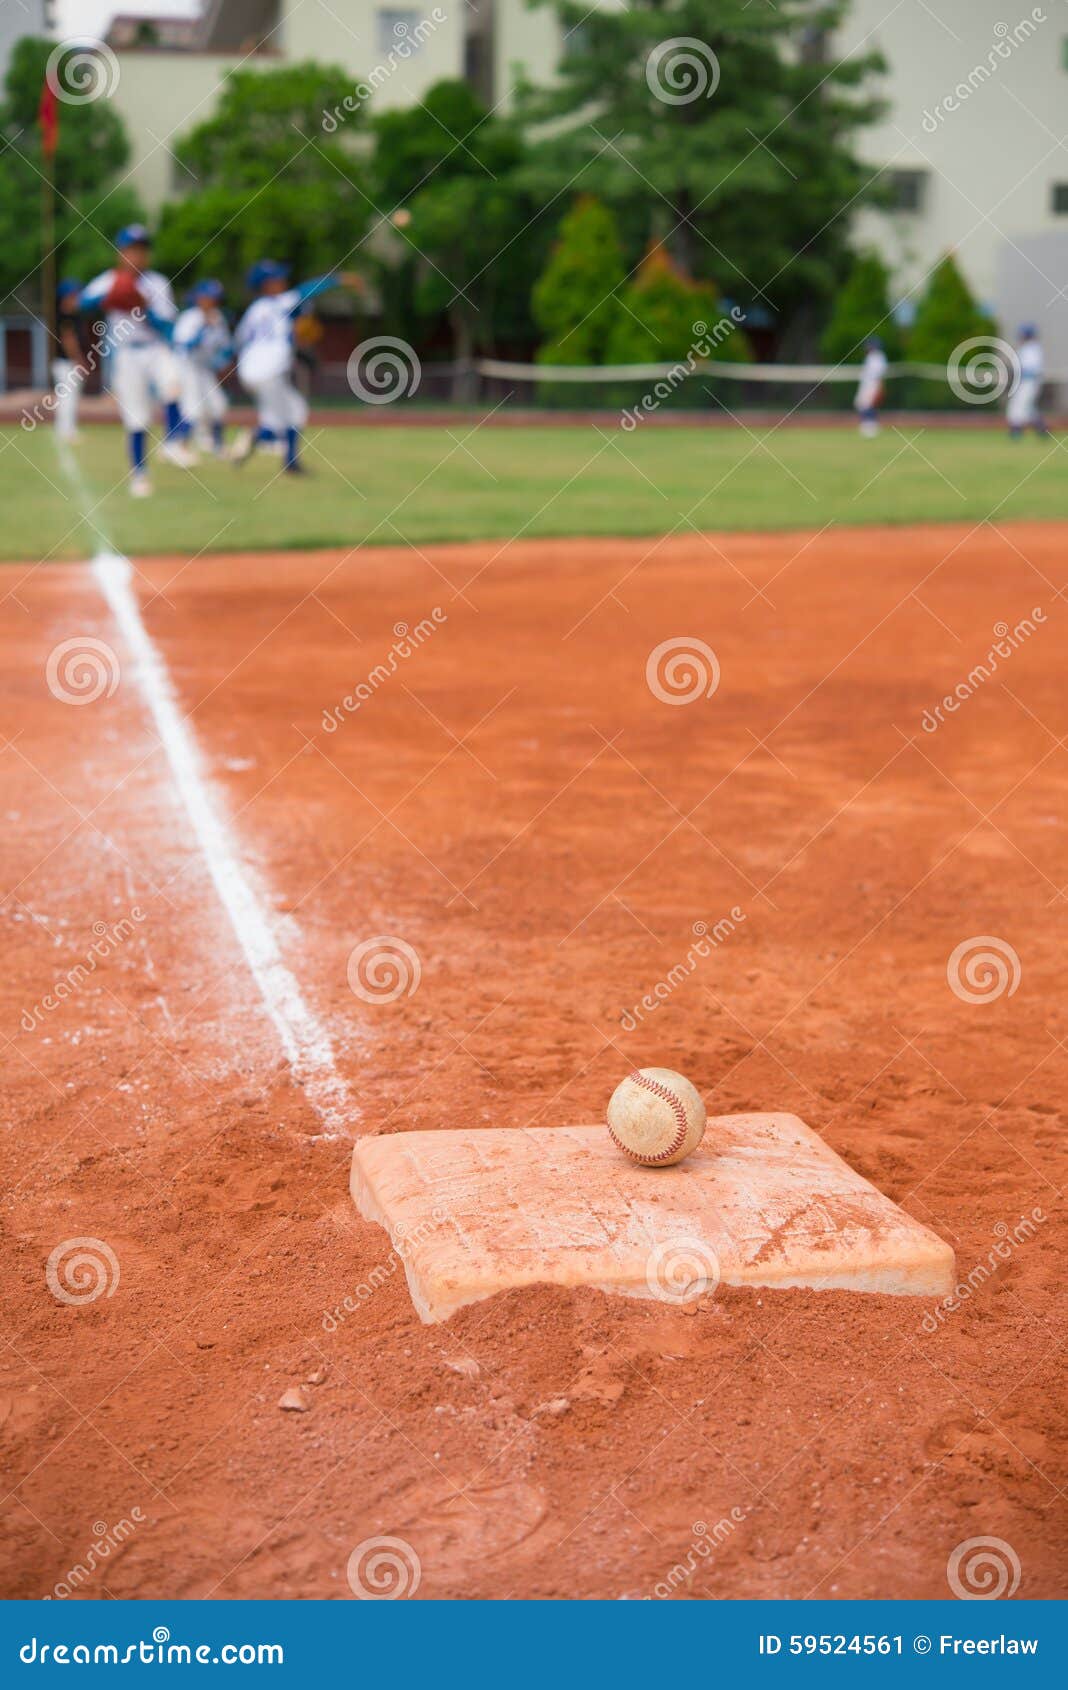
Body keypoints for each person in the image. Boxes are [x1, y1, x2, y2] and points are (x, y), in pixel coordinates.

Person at [80, 224, 193, 497]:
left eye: (142, 250)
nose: (137, 255)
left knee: (173, 382)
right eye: (131, 250)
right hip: (127, 353)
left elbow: (168, 328)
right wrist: (112, 296)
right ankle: (140, 474)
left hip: (155, 347)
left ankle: (173, 442)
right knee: (137, 417)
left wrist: (143, 307)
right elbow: (82, 303)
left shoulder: (157, 282)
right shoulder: (111, 279)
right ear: (121, 253)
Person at [232, 260, 361, 474]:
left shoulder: (254, 310)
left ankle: (290, 462)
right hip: (268, 370)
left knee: (296, 409)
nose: (283, 281)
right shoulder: (281, 302)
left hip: (250, 370)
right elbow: (307, 290)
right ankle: (253, 436)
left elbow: (238, 341)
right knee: (276, 423)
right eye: (277, 279)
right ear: (266, 285)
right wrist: (340, 279)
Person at [173, 279, 232, 457]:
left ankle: (218, 445)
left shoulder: (218, 317)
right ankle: (179, 446)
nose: (212, 302)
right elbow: (183, 346)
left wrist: (223, 359)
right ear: (199, 298)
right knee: (193, 409)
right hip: (187, 367)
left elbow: (225, 346)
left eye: (215, 298)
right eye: (208, 297)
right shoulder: (190, 318)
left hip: (205, 368)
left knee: (219, 405)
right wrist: (202, 329)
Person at [51, 279, 85, 442]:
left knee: (68, 397)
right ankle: (66, 430)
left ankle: (66, 428)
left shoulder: (72, 315)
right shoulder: (65, 317)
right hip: (66, 363)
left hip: (67, 363)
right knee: (67, 397)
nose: (77, 298)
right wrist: (78, 359)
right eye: (73, 295)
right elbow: (68, 339)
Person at [1006, 325, 1049, 439]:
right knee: (1028, 409)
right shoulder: (1026, 348)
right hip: (1023, 382)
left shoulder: (1033, 349)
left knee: (1018, 406)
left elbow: (1031, 369)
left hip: (1029, 382)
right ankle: (1042, 429)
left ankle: (1016, 432)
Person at [854, 335, 887, 438]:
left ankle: (870, 427)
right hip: (867, 384)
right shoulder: (871, 357)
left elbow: (879, 375)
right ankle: (867, 426)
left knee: (869, 405)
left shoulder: (878, 357)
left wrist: (879, 389)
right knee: (861, 404)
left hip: (872, 385)